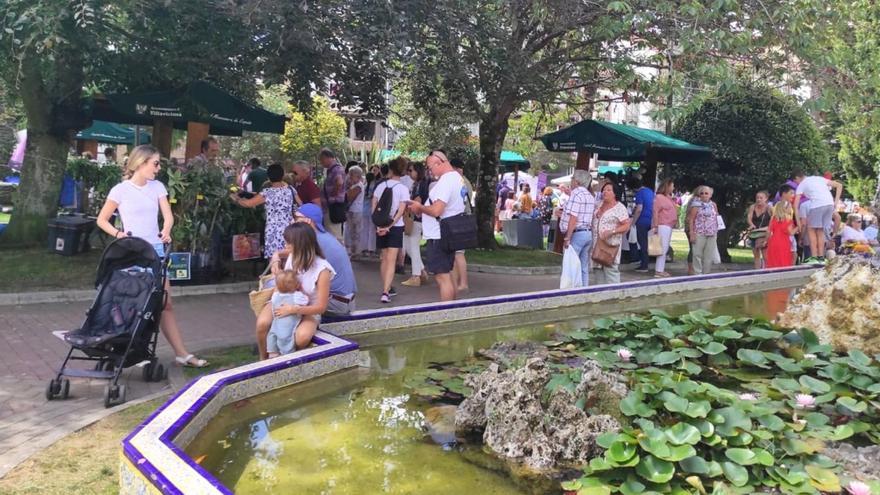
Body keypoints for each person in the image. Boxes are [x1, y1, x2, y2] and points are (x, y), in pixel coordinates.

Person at [95, 145, 207, 368]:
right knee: (134, 303)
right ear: (141, 163)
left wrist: (166, 230)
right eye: (155, 163)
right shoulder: (120, 190)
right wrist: (119, 234)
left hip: (155, 251)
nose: (158, 168)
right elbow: (102, 220)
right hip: (131, 252)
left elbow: (168, 216)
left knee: (165, 304)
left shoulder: (157, 187)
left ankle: (181, 353)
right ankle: (133, 350)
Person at [258, 223, 334, 359]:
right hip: (284, 298)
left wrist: (294, 310)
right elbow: (280, 255)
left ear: (300, 245)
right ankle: (263, 361)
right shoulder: (293, 256)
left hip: (309, 309)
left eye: (289, 243)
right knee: (262, 323)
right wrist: (276, 260)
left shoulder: (323, 270)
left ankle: (288, 359)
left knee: (302, 337)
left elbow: (321, 307)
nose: (286, 246)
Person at [408, 150, 465, 302]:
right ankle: (452, 309)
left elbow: (437, 210)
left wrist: (419, 207)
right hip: (450, 231)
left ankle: (446, 313)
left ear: (438, 163)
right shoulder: (457, 178)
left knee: (442, 276)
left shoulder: (446, 181)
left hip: (439, 234)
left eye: (429, 167)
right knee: (448, 272)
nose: (429, 171)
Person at [291, 204, 357, 316]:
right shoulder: (323, 236)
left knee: (283, 301)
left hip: (336, 303)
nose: (292, 221)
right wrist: (277, 255)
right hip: (344, 300)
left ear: (308, 221)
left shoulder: (314, 242)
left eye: (296, 218)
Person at [230, 163, 298, 259]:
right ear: (282, 176)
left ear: (268, 178)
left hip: (273, 230)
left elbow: (248, 204)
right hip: (290, 228)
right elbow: (301, 204)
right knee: (289, 258)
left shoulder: (267, 193)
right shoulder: (291, 190)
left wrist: (235, 198)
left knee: (275, 260)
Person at [372, 157, 410, 303]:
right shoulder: (403, 189)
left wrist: (379, 225)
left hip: (380, 224)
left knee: (384, 257)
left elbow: (374, 206)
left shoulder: (381, 186)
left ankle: (386, 286)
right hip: (396, 227)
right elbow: (401, 211)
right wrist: (389, 226)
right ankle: (386, 291)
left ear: (391, 169)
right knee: (392, 259)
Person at [793, 170, 843, 263]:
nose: (796, 184)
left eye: (795, 182)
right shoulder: (819, 179)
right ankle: (821, 257)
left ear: (797, 178)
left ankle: (814, 258)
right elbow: (839, 185)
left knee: (811, 230)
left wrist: (799, 224)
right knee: (820, 231)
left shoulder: (802, 184)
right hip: (829, 205)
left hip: (817, 206)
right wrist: (835, 202)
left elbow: (795, 206)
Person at [591, 180, 631, 285]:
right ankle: (600, 295)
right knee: (598, 271)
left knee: (611, 272)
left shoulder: (620, 208)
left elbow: (626, 225)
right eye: (604, 190)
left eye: (609, 190)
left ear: (615, 193)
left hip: (610, 246)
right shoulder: (599, 204)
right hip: (597, 246)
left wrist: (612, 231)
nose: (605, 192)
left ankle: (614, 295)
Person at [560, 170, 595, 287]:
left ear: (577, 181)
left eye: (572, 178)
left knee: (571, 264)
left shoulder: (576, 194)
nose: (571, 181)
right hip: (587, 233)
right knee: (583, 265)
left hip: (577, 233)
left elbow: (573, 217)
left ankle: (570, 289)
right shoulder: (590, 196)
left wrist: (567, 237)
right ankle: (584, 289)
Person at [266, 271, 310, 358]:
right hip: (288, 327)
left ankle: (272, 354)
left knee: (272, 335)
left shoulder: (275, 296)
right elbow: (306, 301)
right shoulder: (297, 296)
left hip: (275, 325)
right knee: (286, 340)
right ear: (297, 285)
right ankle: (288, 358)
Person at [402, 162, 430, 287]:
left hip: (416, 219)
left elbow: (417, 202)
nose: (409, 172)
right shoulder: (423, 183)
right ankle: (421, 271)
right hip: (420, 219)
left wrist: (408, 207)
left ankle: (416, 275)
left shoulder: (419, 185)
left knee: (411, 245)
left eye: (411, 170)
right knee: (410, 245)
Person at [687, 185, 720, 275]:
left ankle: (706, 274)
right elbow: (691, 219)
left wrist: (717, 228)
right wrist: (691, 233)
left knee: (708, 255)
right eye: (702, 193)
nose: (704, 195)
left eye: (706, 193)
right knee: (697, 254)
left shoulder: (713, 205)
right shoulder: (696, 205)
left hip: (712, 233)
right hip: (699, 232)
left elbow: (717, 217)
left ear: (710, 195)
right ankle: (697, 273)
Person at [451, 158, 472, 293]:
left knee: (458, 253)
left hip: (460, 220)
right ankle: (456, 281)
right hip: (462, 219)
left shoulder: (460, 182)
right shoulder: (464, 181)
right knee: (456, 253)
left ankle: (463, 283)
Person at [651, 179, 677, 278]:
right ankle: (659, 270)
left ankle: (660, 269)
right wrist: (656, 226)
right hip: (662, 225)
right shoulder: (659, 197)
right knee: (662, 247)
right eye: (672, 186)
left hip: (669, 225)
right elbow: (655, 212)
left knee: (664, 247)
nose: (673, 188)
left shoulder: (669, 198)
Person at [319, 148, 346, 241]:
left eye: (322, 159)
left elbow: (339, 182)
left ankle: (338, 254)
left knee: (334, 234)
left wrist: (334, 193)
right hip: (329, 206)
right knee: (331, 232)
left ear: (327, 158)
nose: (321, 162)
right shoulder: (331, 170)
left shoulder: (336, 169)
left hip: (333, 206)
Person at [631, 176, 654, 273]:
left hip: (642, 220)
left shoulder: (639, 193)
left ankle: (644, 265)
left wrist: (633, 222)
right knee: (650, 242)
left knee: (643, 243)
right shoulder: (650, 191)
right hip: (651, 219)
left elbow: (639, 208)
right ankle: (646, 261)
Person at [765, 201, 797, 268]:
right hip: (784, 242)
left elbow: (768, 231)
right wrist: (798, 227)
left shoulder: (773, 219)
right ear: (785, 209)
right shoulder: (788, 220)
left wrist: (766, 240)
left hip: (773, 241)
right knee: (783, 260)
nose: (791, 209)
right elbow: (791, 232)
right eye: (789, 207)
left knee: (773, 260)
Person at [746, 191, 772, 269]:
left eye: (761, 198)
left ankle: (767, 272)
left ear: (766, 199)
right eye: (757, 197)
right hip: (754, 234)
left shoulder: (769, 208)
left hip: (764, 234)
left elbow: (772, 222)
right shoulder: (752, 207)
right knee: (756, 255)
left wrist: (764, 229)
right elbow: (749, 218)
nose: (759, 199)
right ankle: (757, 272)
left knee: (765, 255)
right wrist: (751, 224)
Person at [344, 165, 365, 257]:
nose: (349, 177)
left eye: (351, 175)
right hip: (353, 210)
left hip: (355, 211)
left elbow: (349, 197)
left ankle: (355, 250)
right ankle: (353, 250)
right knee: (351, 230)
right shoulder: (354, 185)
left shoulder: (358, 186)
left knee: (355, 231)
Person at [361, 164, 381, 256]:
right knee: (372, 229)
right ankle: (371, 248)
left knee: (364, 228)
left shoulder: (364, 185)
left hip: (364, 209)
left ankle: (364, 247)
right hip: (371, 209)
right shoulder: (375, 185)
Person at [777, 184, 799, 264]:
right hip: (786, 234)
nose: (793, 195)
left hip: (789, 233)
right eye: (791, 193)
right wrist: (798, 226)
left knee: (794, 254)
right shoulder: (782, 205)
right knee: (791, 254)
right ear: (784, 194)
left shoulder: (789, 204)